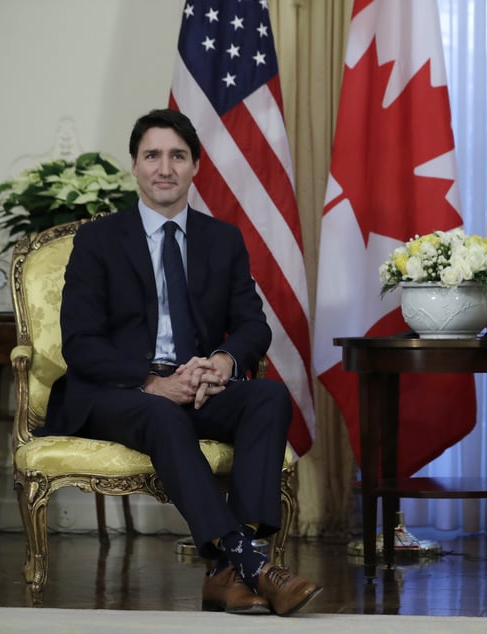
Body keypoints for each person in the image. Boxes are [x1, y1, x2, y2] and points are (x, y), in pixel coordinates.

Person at [40, 108, 321, 617]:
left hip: (196, 386)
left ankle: (226, 572)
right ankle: (250, 561)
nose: (164, 167)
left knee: (269, 395)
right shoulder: (99, 240)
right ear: (134, 166)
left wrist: (222, 360)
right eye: (152, 156)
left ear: (195, 167)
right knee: (163, 410)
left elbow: (254, 325)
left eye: (177, 156)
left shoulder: (223, 239)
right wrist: (151, 382)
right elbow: (80, 343)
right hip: (117, 395)